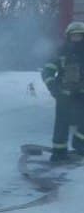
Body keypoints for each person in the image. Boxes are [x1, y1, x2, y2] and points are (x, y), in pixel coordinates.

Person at [42, 21, 84, 162]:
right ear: (68, 36)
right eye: (74, 35)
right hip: (64, 94)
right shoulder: (60, 52)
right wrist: (53, 87)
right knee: (62, 123)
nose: (77, 38)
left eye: (80, 35)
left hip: (82, 95)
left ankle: (80, 144)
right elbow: (48, 70)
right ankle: (59, 152)